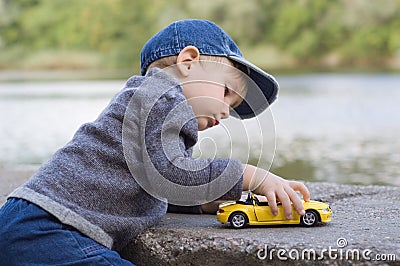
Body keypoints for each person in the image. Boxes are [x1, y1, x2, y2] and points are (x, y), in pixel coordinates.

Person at [0, 19, 310, 265]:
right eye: (227, 92)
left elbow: (153, 182)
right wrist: (252, 176)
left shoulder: (151, 106)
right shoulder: (160, 95)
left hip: (34, 224)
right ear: (188, 62)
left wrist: (200, 201)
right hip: (47, 227)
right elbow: (172, 173)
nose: (227, 112)